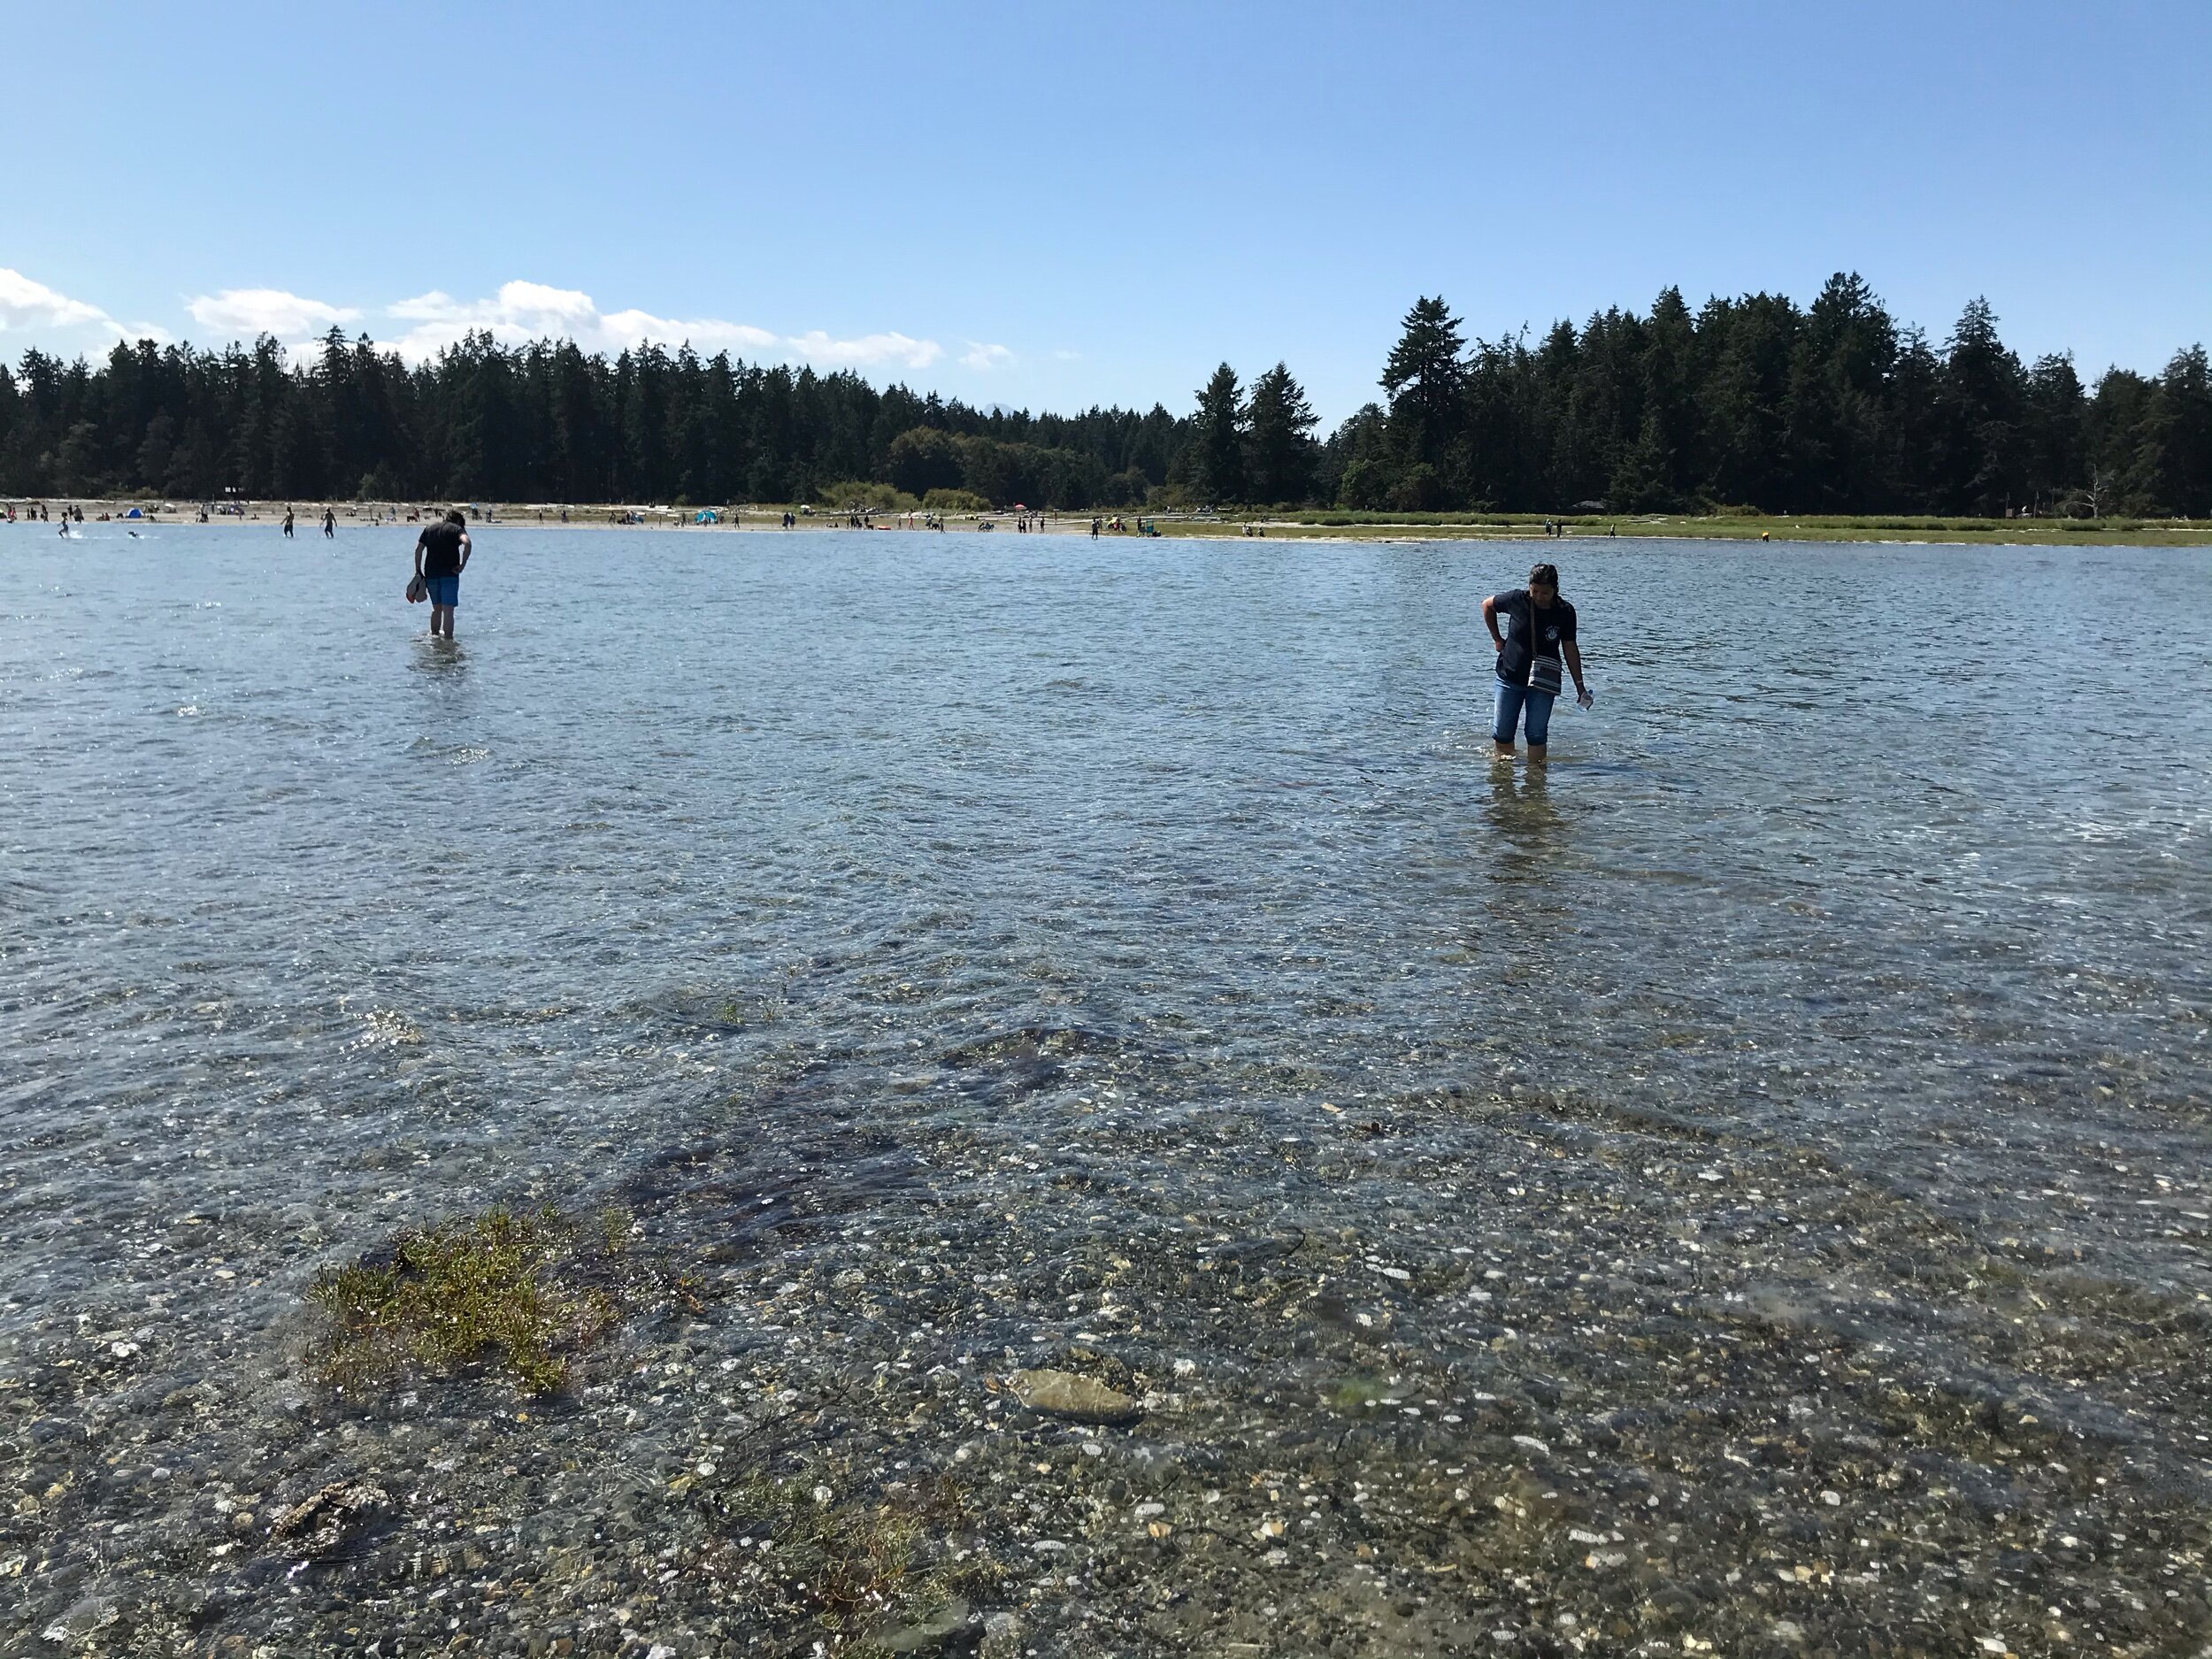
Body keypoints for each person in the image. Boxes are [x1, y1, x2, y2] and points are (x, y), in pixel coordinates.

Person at [1482, 561, 1591, 762]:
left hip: (1543, 681)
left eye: (1545, 593)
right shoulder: (1516, 600)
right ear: (1529, 587)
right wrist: (1497, 639)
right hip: (1509, 676)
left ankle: (1536, 784)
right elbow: (1487, 605)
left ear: (1555, 590)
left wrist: (1580, 686)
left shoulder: (1565, 611)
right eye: (1535, 591)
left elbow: (1570, 648)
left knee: (1536, 734)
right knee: (1503, 732)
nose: (1539, 597)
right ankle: (1504, 781)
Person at [412, 508, 472, 640]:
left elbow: (418, 550)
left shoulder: (429, 529)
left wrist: (418, 571)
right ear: (458, 522)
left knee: (436, 609)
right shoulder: (456, 529)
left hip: (431, 574)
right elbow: (467, 543)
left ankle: (434, 638)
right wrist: (462, 565)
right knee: (448, 611)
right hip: (450, 574)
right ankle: (448, 643)